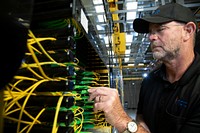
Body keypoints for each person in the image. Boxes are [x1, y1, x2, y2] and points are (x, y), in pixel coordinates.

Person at [88, 2, 200, 133]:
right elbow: (142, 119)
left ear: (188, 31)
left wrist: (121, 120)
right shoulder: (150, 81)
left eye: (160, 29)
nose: (151, 37)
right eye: (151, 32)